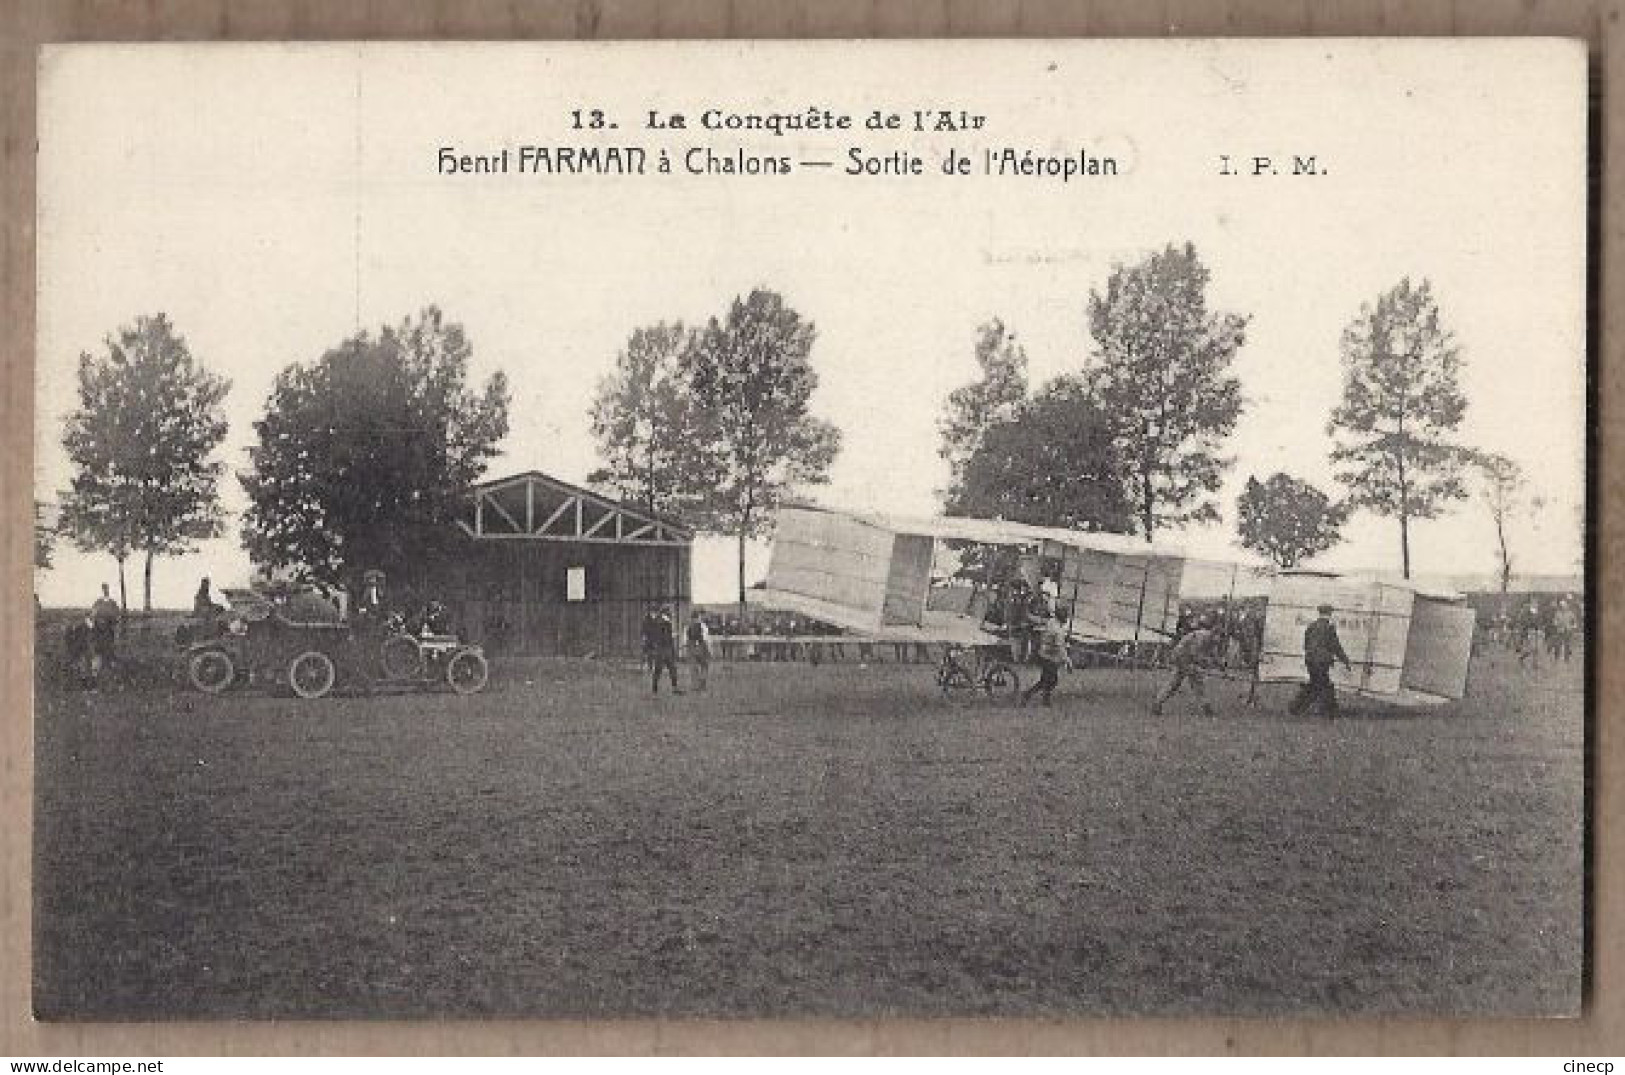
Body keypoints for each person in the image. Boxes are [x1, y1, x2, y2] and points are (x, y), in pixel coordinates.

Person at [1289, 603, 1353, 718]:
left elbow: (1305, 645)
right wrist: (1346, 661)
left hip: (1310, 660)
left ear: (1319, 613)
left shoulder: (1311, 626)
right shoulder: (1329, 628)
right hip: (1322, 662)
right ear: (1329, 613)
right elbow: (1336, 647)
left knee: (1315, 684)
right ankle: (1329, 712)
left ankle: (1297, 708)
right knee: (1325, 686)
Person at [1153, 613, 1218, 716]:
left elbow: (1212, 655)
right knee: (1194, 683)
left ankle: (1158, 702)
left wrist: (1220, 666)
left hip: (1185, 657)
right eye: (1217, 638)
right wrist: (1203, 663)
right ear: (1214, 634)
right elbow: (1193, 654)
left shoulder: (1210, 639)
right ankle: (1207, 709)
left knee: (1178, 683)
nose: (1217, 641)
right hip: (1181, 656)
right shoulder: (1202, 637)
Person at [1021, 609, 1072, 707]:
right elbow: (1060, 647)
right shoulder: (1057, 630)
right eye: (1066, 617)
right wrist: (1067, 661)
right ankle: (1032, 696)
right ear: (1062, 618)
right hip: (1050, 657)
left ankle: (1037, 698)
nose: (1066, 619)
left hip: (1044, 654)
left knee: (1046, 679)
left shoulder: (1052, 622)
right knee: (1051, 680)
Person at [643, 605, 681, 695]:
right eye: (669, 612)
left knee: (666, 669)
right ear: (666, 612)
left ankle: (657, 688)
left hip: (663, 648)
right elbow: (664, 636)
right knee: (666, 668)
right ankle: (670, 688)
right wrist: (673, 636)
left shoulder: (660, 621)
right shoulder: (663, 622)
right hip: (663, 649)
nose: (671, 614)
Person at [89, 583, 121, 677]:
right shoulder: (98, 603)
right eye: (104, 589)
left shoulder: (112, 603)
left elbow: (116, 617)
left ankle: (111, 671)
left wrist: (113, 625)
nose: (105, 590)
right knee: (98, 651)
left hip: (108, 631)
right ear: (102, 590)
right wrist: (94, 623)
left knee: (109, 650)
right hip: (98, 631)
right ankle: (95, 672)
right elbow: (92, 615)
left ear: (108, 590)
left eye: (106, 589)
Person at [686, 610, 712, 691]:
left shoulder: (688, 626)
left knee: (693, 668)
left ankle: (695, 685)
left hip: (691, 648)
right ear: (699, 617)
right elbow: (706, 639)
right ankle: (702, 684)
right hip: (702, 647)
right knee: (704, 666)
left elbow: (685, 639)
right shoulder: (703, 626)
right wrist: (709, 650)